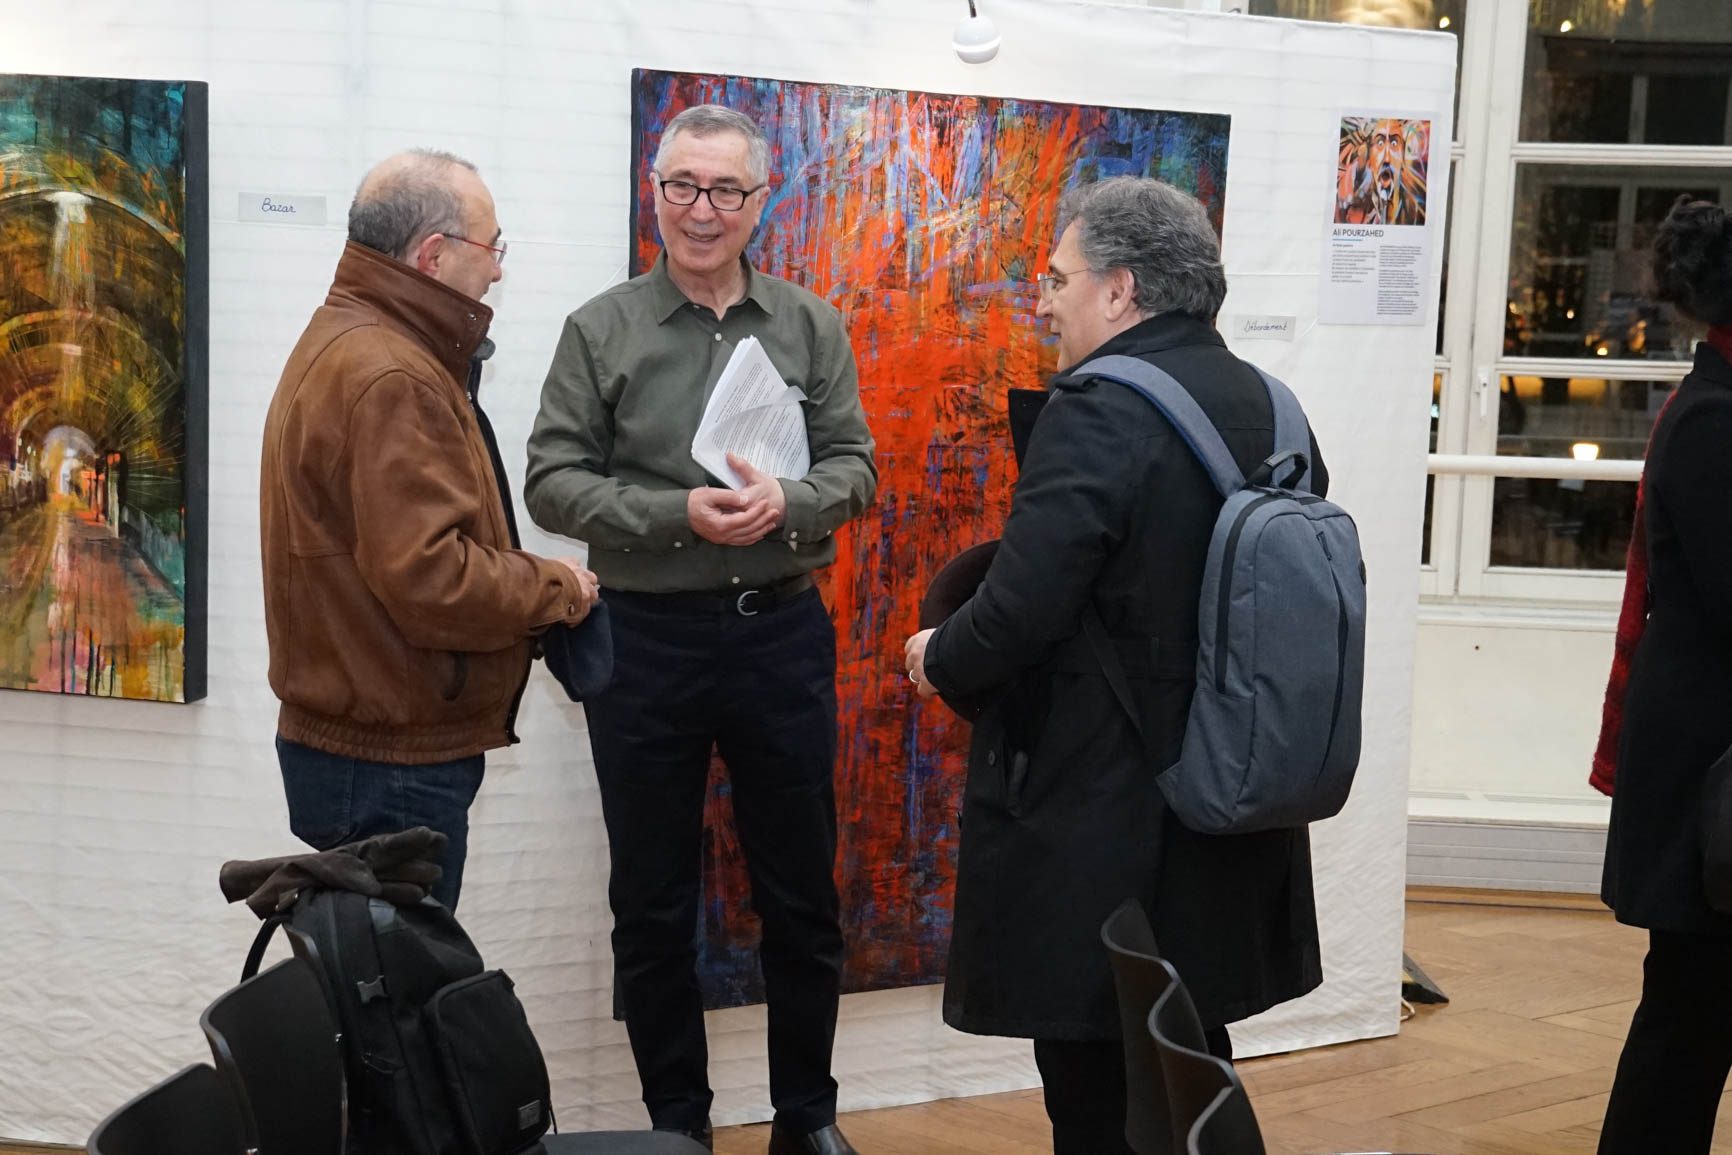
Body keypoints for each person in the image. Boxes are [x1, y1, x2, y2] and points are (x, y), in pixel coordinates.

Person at [903, 176, 1325, 1155]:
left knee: (1096, 1084)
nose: (1046, 301)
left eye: (1058, 279)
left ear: (1120, 288)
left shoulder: (1098, 409)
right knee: (1186, 1056)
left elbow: (1022, 608)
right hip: (1232, 794)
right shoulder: (1274, 407)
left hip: (1102, 809)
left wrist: (938, 655)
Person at [524, 105, 876, 1155]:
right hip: (645, 643)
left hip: (780, 637)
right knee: (651, 903)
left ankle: (806, 1121)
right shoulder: (600, 329)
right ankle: (677, 1128)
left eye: (726, 189)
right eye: (682, 185)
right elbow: (550, 481)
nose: (702, 209)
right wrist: (676, 513)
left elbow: (855, 467)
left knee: (802, 895)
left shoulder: (808, 324)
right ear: (656, 191)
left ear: (760, 202)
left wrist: (790, 503)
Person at [260, 149, 598, 912]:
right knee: (395, 983)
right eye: (493, 246)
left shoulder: (355, 339)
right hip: (389, 761)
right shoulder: (393, 375)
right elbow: (433, 580)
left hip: (365, 744)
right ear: (433, 254)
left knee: (374, 973)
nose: (499, 270)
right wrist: (559, 587)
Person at [1594, 196, 1732, 1155]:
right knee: (1686, 1019)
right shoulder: (1715, 418)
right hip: (1706, 778)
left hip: (1705, 760)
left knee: (1692, 1012)